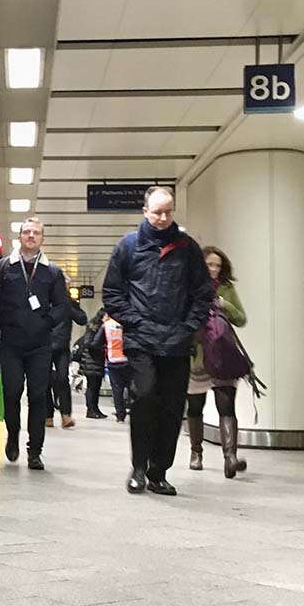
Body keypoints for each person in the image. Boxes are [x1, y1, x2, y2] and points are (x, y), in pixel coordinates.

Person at [102, 186, 213, 496]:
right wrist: (135, 321)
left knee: (173, 407)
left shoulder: (187, 248)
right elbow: (111, 293)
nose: (163, 218)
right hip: (141, 340)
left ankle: (158, 472)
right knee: (145, 396)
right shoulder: (128, 246)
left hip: (177, 341)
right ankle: (138, 467)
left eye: (168, 212)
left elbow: (203, 293)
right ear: (145, 212)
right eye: (157, 212)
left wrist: (189, 326)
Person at [0, 217, 70, 470]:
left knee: (39, 395)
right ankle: (12, 434)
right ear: (19, 237)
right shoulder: (2, 267)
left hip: (41, 344)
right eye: (27, 232)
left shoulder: (52, 271)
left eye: (36, 233)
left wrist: (47, 322)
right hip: (10, 342)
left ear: (42, 238)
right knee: (11, 392)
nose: (31, 236)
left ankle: (35, 451)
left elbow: (63, 306)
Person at [185, 246, 248, 477]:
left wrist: (224, 304)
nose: (214, 269)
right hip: (197, 357)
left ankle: (230, 457)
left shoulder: (227, 288)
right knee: (195, 407)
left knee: (226, 405)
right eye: (210, 264)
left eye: (218, 265)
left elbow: (241, 319)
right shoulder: (189, 287)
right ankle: (196, 452)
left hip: (222, 355)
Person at [46, 293, 87, 428]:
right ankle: (48, 416)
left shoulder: (68, 303)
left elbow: (82, 319)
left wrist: (69, 306)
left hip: (62, 347)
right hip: (44, 346)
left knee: (63, 379)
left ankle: (66, 415)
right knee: (44, 382)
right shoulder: (43, 298)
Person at [92, 312, 131, 423]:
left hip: (113, 360)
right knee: (132, 388)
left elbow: (95, 343)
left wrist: (106, 347)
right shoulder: (127, 322)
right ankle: (136, 412)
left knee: (117, 390)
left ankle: (120, 415)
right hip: (128, 360)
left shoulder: (107, 325)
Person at [77, 311, 108, 419]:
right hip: (91, 361)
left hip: (96, 361)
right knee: (92, 387)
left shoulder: (96, 327)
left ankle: (95, 409)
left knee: (96, 387)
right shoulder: (94, 328)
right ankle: (91, 409)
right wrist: (102, 347)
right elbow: (89, 343)